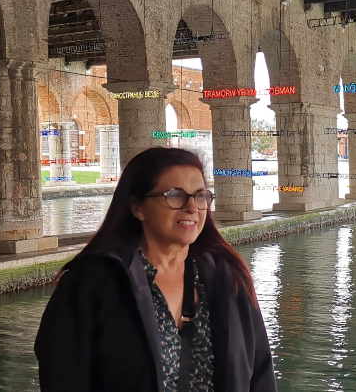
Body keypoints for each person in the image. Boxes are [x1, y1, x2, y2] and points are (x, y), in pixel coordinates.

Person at [35, 147, 277, 392]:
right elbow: (62, 377)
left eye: (200, 195)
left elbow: (261, 375)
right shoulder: (91, 284)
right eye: (175, 195)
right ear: (137, 207)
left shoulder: (229, 279)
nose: (192, 207)